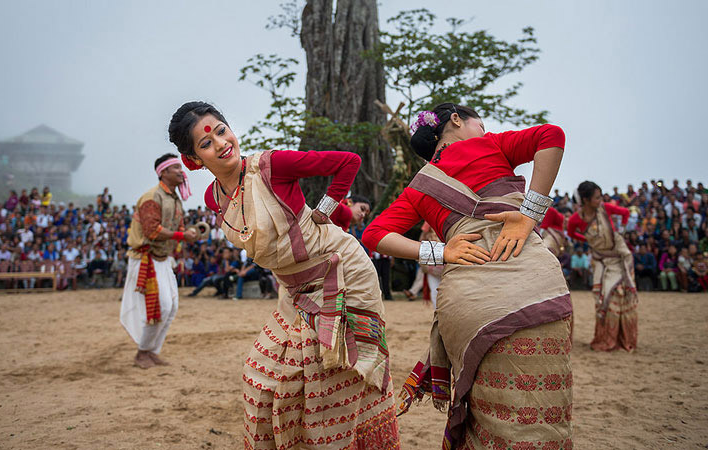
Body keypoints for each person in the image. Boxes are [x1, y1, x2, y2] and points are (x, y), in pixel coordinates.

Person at [169, 101, 400, 449]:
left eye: (221, 130)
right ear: (194, 159)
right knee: (261, 377)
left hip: (341, 271)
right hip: (293, 289)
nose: (221, 143)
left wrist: (325, 210)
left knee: (329, 381)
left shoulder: (271, 166)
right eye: (206, 143)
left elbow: (348, 162)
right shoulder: (213, 197)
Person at [362, 103, 572, 449]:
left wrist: (441, 252)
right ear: (457, 120)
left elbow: (374, 234)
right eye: (480, 124)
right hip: (531, 283)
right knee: (542, 408)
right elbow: (552, 135)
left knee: (485, 409)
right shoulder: (491, 145)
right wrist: (528, 215)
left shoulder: (419, 186)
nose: (483, 131)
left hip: (466, 300)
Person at [120, 153, 197, 369]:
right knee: (161, 306)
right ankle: (142, 352)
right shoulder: (152, 197)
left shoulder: (174, 198)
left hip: (162, 258)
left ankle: (151, 351)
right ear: (163, 172)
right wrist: (182, 236)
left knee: (171, 307)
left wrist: (187, 233)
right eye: (176, 168)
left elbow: (177, 227)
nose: (181, 171)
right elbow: (152, 231)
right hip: (146, 258)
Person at [568, 180, 638, 352]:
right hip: (600, 260)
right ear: (585, 200)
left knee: (619, 295)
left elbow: (625, 213)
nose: (600, 200)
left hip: (619, 257)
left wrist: (620, 231)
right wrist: (588, 241)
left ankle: (623, 339)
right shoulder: (577, 219)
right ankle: (606, 338)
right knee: (601, 297)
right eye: (597, 198)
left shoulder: (605, 208)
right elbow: (571, 233)